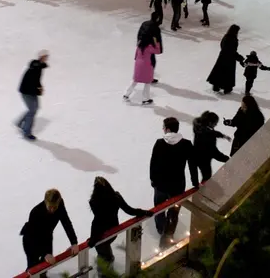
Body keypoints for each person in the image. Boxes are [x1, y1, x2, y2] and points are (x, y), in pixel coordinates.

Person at [149, 117, 199, 248]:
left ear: (168, 129)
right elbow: (192, 165)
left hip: (160, 184)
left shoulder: (159, 143)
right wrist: (195, 182)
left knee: (159, 208)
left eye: (163, 127)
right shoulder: (186, 144)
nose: (163, 129)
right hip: (177, 185)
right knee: (174, 211)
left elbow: (153, 164)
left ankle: (161, 229)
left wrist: (153, 180)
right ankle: (168, 235)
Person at [88, 177, 152, 267]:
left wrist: (93, 238)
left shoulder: (93, 201)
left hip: (100, 234)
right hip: (113, 231)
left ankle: (105, 271)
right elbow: (129, 210)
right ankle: (107, 266)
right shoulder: (116, 197)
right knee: (105, 255)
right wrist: (144, 212)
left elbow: (98, 221)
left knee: (104, 255)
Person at [20, 189, 79, 276]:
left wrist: (74, 242)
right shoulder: (35, 212)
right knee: (34, 268)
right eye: (50, 207)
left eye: (54, 207)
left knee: (45, 267)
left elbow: (66, 223)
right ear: (45, 202)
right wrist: (44, 254)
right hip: (31, 241)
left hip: (47, 238)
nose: (52, 210)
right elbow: (33, 238)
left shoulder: (60, 205)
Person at [16, 50, 49, 140]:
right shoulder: (35, 65)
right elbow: (34, 67)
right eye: (45, 56)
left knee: (35, 108)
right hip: (26, 92)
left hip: (32, 92)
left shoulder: (39, 67)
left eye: (47, 56)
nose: (47, 58)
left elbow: (36, 80)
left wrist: (40, 87)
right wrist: (38, 89)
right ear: (41, 57)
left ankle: (19, 123)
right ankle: (26, 132)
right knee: (32, 110)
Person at [123, 34, 161, 105]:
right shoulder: (149, 47)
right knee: (147, 82)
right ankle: (145, 99)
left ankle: (126, 94)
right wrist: (156, 42)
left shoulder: (139, 45)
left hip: (138, 64)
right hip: (146, 65)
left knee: (135, 80)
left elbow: (136, 54)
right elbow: (158, 51)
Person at [192, 111, 230, 182]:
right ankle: (204, 189)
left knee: (206, 175)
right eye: (215, 123)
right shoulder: (208, 135)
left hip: (198, 155)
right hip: (203, 158)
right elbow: (214, 152)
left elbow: (213, 132)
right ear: (210, 123)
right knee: (207, 176)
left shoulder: (200, 128)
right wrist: (226, 159)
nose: (215, 125)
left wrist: (223, 135)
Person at [207, 24, 245, 94]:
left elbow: (222, 46)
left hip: (222, 57)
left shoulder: (226, 37)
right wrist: (239, 57)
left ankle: (216, 86)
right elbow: (232, 51)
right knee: (228, 74)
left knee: (219, 71)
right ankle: (227, 88)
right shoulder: (233, 39)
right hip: (229, 59)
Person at [137, 12, 163, 84]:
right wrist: (159, 49)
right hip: (149, 48)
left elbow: (139, 33)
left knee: (142, 61)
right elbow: (158, 40)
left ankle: (142, 75)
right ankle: (148, 77)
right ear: (157, 18)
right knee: (152, 63)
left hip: (142, 45)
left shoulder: (144, 23)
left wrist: (139, 43)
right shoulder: (156, 28)